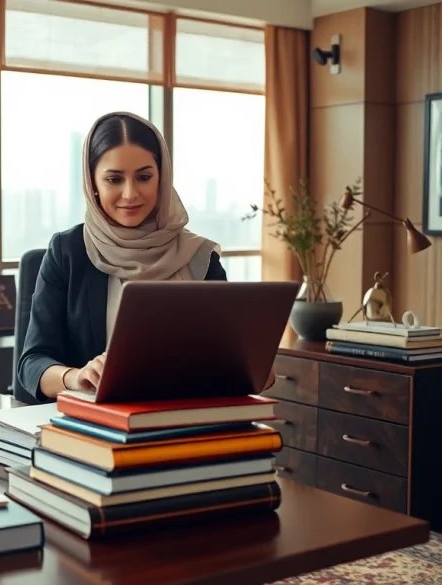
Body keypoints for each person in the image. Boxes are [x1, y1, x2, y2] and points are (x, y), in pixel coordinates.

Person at [16, 111, 273, 403]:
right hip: (94, 430)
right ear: (93, 185)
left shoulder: (200, 258)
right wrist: (74, 377)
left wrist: (255, 367)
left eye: (144, 177)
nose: (130, 193)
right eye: (114, 179)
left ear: (161, 179)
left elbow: (235, 363)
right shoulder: (68, 252)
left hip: (185, 421)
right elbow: (32, 364)